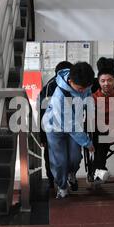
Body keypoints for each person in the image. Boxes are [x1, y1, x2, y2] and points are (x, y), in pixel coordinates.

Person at [42, 62, 96, 199]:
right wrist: (87, 142)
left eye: (86, 88)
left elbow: (88, 97)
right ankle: (62, 186)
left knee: (75, 157)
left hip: (74, 124)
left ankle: (72, 173)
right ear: (70, 81)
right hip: (55, 128)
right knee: (60, 161)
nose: (83, 91)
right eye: (80, 89)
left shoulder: (84, 83)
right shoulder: (60, 96)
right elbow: (70, 126)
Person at [38, 61, 73, 189]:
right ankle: (52, 180)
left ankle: (67, 175)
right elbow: (43, 114)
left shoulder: (74, 84)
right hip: (51, 127)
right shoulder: (50, 87)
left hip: (70, 127)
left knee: (69, 153)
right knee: (50, 152)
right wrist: (42, 136)